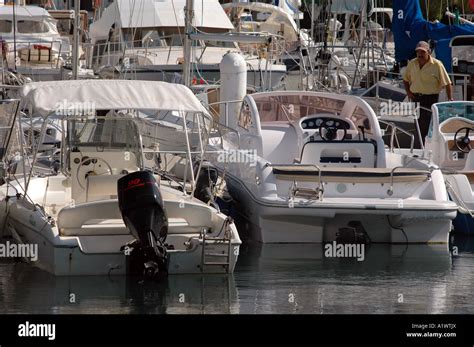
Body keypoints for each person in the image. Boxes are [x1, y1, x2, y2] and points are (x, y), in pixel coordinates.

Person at [403, 41, 453, 148]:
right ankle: (419, 147)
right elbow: (405, 79)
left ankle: (424, 148)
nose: (420, 54)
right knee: (416, 123)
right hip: (415, 98)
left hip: (430, 98)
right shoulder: (412, 63)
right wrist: (408, 92)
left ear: (429, 52)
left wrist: (450, 99)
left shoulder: (437, 64)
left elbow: (448, 83)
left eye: (422, 52)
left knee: (427, 124)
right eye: (418, 52)